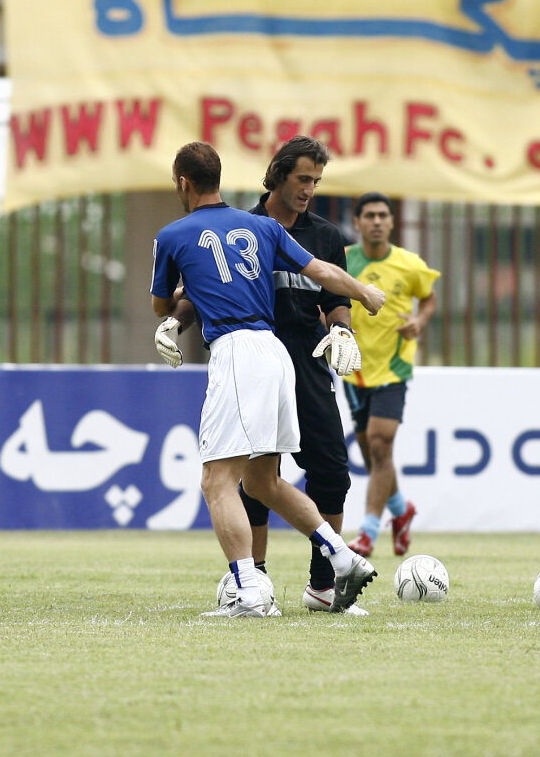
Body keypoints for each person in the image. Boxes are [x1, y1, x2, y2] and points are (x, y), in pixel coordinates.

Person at [149, 141, 384, 617]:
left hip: (236, 352)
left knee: (217, 481)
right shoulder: (263, 227)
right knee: (261, 482)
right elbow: (321, 270)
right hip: (276, 354)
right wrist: (364, 292)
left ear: (183, 182)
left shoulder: (172, 235)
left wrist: (176, 310)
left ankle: (250, 593)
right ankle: (342, 557)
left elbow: (161, 305)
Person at [341, 192, 440, 558]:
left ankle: (367, 532)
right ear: (357, 222)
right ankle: (401, 509)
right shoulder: (343, 260)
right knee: (371, 453)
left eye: (383, 215)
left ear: (393, 222)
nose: (377, 221)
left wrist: (419, 320)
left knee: (381, 444)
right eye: (369, 215)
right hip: (353, 370)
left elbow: (429, 297)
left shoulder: (409, 264)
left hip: (394, 368)